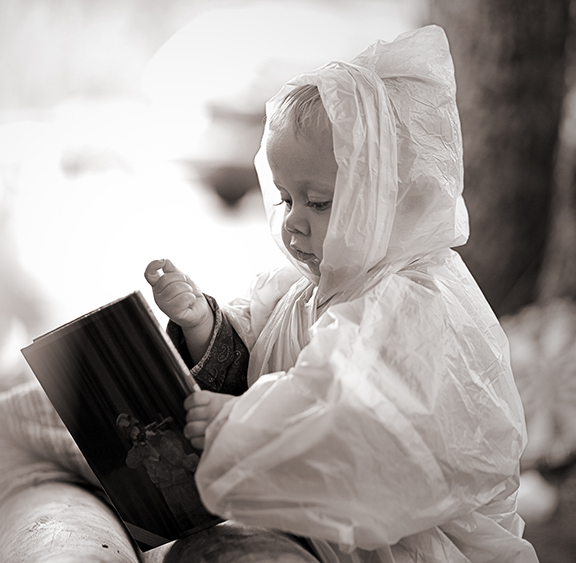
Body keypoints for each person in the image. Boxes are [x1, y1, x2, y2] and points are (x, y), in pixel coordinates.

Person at [144, 25, 539, 562]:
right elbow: (253, 360)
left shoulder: (415, 303)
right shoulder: (299, 291)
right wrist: (200, 323)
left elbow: (357, 423)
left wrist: (238, 425)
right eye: (285, 199)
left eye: (319, 202)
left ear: (386, 197)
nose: (293, 222)